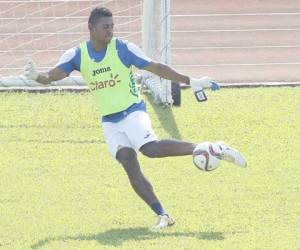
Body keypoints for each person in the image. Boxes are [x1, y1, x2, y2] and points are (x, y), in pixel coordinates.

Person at [24, 7, 246, 230]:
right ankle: (163, 215)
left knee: (150, 149)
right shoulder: (77, 55)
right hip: (110, 121)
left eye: (112, 26)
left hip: (133, 111)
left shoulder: (122, 49)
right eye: (105, 27)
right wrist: (37, 76)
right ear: (90, 28)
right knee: (128, 161)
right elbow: (51, 76)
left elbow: (156, 67)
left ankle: (209, 148)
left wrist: (191, 80)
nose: (110, 31)